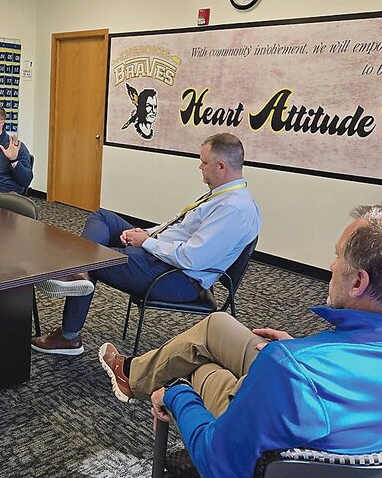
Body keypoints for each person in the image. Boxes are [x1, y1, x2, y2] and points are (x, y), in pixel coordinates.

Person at [99, 202, 382, 478]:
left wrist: (178, 396)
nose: (331, 264)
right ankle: (134, 375)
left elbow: (218, 463)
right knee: (217, 325)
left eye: (339, 256)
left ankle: (155, 393)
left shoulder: (291, 369)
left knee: (198, 373)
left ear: (359, 281)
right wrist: (301, 350)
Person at [31, 132, 261, 356]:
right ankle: (80, 270)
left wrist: (147, 243)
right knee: (102, 218)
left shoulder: (234, 209)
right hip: (163, 256)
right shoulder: (221, 196)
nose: (200, 167)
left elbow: (193, 258)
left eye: (204, 162)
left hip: (177, 278)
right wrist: (144, 233)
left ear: (221, 166)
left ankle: (69, 335)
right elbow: (177, 227)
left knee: (97, 256)